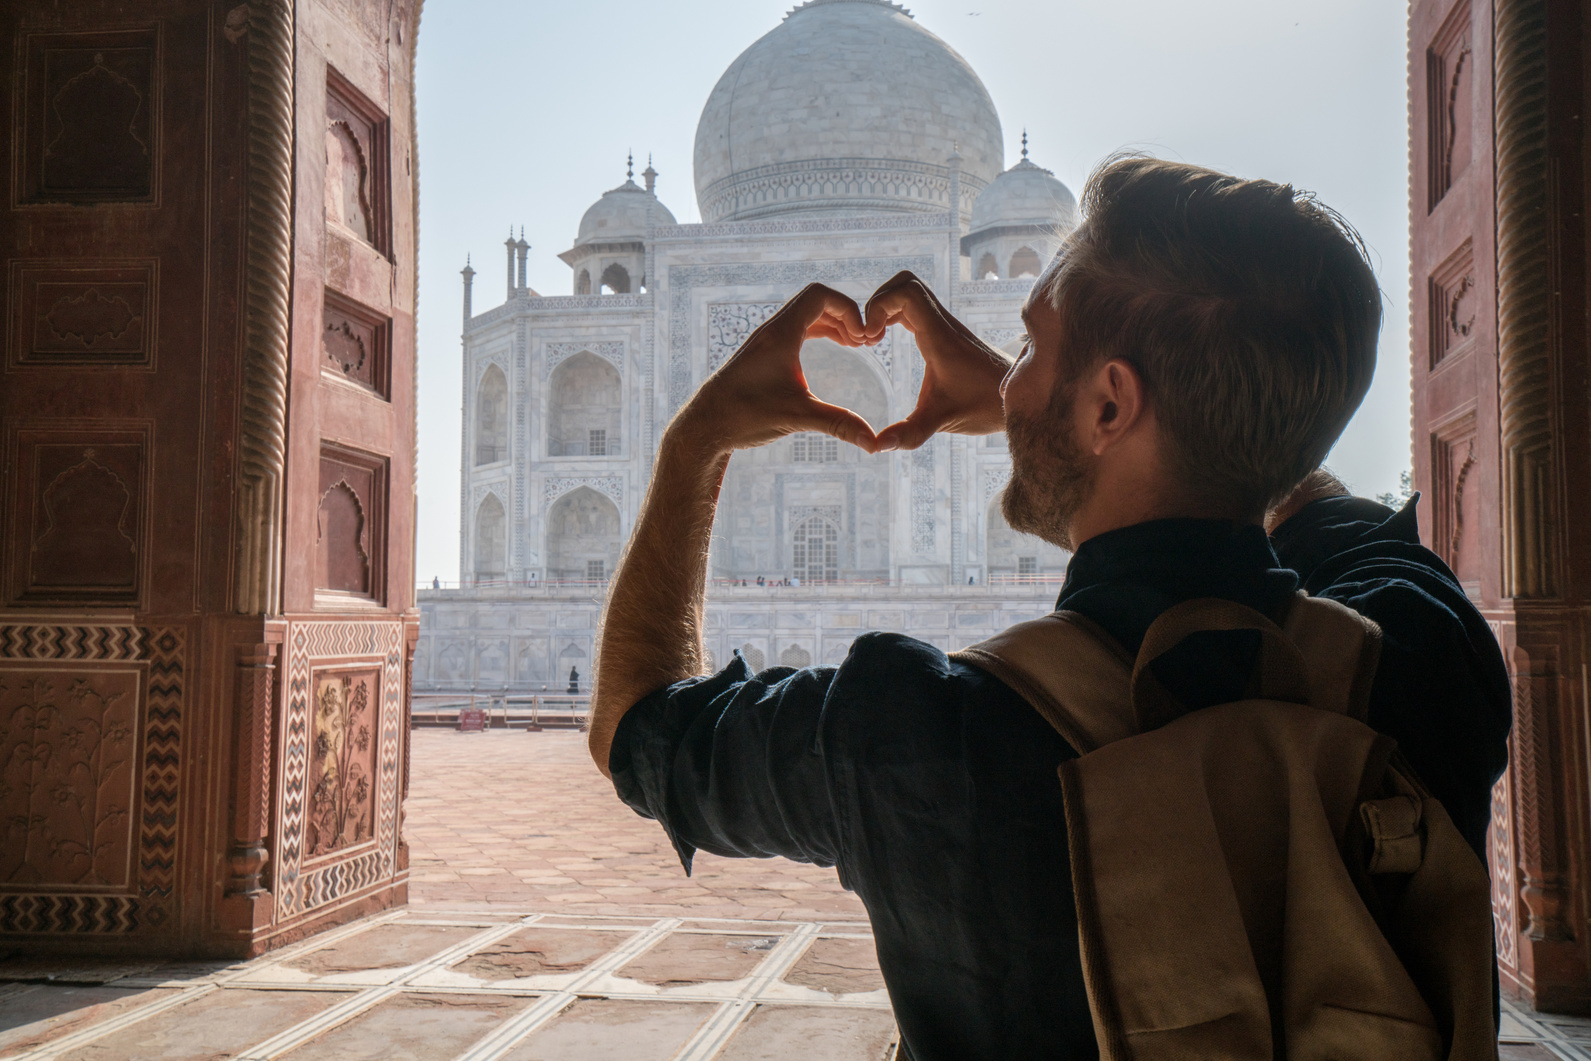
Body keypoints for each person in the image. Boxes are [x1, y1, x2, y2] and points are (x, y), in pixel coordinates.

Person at [589, 157, 1511, 1059]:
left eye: (1027, 345)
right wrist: (1059, 408)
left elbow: (634, 725)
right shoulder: (1425, 651)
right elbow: (1292, 488)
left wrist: (696, 438)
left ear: (1112, 404)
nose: (1004, 377)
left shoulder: (917, 736)